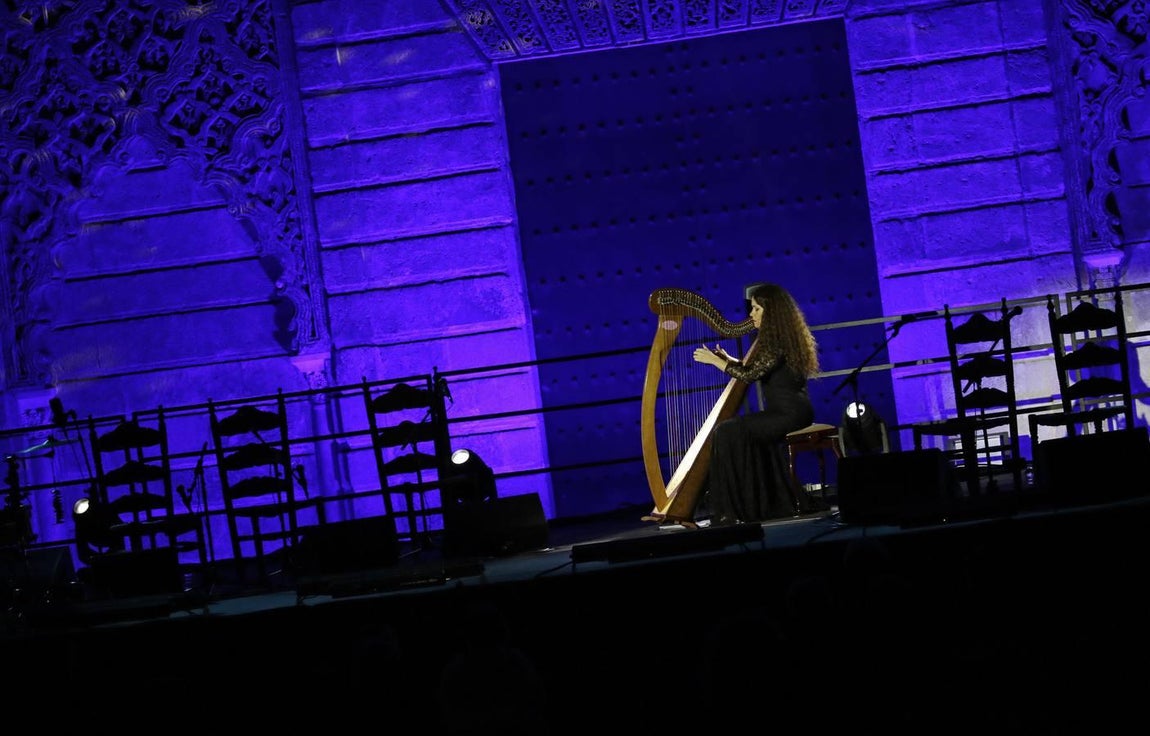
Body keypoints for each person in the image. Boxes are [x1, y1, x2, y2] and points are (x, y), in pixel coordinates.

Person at [692, 282, 820, 524]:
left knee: (727, 431)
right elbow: (758, 369)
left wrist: (714, 362)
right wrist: (730, 360)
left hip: (789, 414)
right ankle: (760, 505)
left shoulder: (776, 341)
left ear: (771, 312)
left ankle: (733, 509)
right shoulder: (780, 338)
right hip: (790, 411)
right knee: (737, 431)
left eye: (756, 310)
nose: (751, 315)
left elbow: (750, 376)